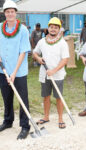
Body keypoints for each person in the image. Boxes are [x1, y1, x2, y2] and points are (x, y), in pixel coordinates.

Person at [0, 0, 31, 139]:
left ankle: (25, 126)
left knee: (22, 99)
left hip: (19, 72)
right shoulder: (0, 27)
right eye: (7, 12)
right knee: (6, 98)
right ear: (4, 13)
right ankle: (8, 121)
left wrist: (14, 72)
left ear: (15, 13)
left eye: (12, 11)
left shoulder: (23, 30)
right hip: (3, 71)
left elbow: (23, 52)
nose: (10, 14)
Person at [33, 17, 69, 129]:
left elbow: (65, 60)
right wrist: (38, 59)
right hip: (44, 75)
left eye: (55, 27)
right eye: (51, 27)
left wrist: (54, 70)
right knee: (46, 97)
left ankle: (60, 119)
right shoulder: (41, 41)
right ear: (48, 28)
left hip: (57, 75)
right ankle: (46, 117)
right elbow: (35, 53)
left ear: (59, 29)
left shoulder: (62, 43)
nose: (53, 29)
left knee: (59, 97)